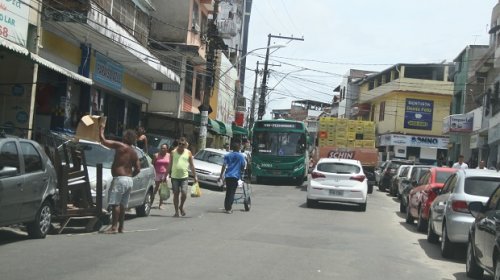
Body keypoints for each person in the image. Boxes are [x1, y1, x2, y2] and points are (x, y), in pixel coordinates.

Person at [99, 125, 140, 234]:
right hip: (128, 180)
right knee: (123, 205)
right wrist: (130, 176)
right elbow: (138, 169)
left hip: (120, 179)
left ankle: (113, 227)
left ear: (126, 137)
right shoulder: (134, 152)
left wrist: (101, 129)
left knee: (115, 204)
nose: (122, 137)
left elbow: (103, 141)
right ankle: (121, 227)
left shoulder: (121, 146)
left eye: (124, 136)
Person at [167, 137, 197, 217]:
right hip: (174, 177)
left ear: (185, 145)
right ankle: (176, 211)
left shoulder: (188, 153)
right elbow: (170, 164)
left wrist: (195, 176)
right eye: (179, 144)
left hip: (184, 177)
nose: (180, 145)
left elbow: (191, 165)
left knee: (184, 193)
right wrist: (165, 174)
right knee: (176, 194)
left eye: (182, 144)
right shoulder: (173, 152)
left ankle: (181, 206)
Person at [218, 140, 246, 214]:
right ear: (238, 148)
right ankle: (228, 208)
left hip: (228, 176)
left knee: (228, 191)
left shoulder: (227, 155)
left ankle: (226, 206)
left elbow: (224, 165)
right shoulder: (241, 156)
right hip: (235, 176)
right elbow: (243, 166)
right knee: (232, 192)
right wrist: (242, 172)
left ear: (232, 148)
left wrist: (221, 176)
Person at [152, 143, 170, 209]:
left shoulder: (169, 156)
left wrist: (168, 174)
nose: (162, 149)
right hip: (157, 173)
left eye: (164, 148)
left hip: (165, 174)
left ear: (167, 149)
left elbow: (170, 165)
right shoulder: (156, 155)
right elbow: (152, 164)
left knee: (162, 190)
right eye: (161, 148)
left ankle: (160, 204)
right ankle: (150, 202)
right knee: (155, 189)